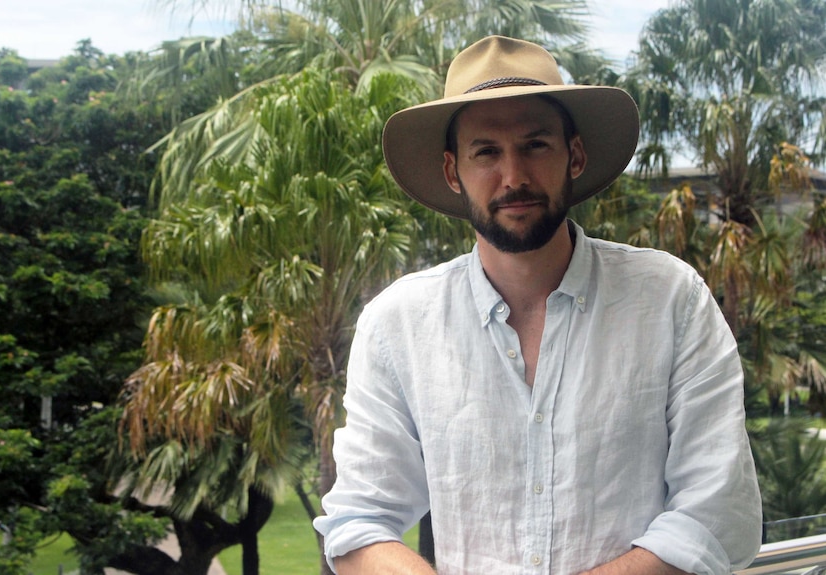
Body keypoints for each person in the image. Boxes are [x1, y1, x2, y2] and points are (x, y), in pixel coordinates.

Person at [313, 35, 762, 575]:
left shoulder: (669, 300)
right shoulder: (398, 325)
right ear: (454, 171)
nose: (514, 176)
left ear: (573, 155)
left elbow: (715, 515)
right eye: (487, 152)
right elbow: (359, 521)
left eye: (535, 145)